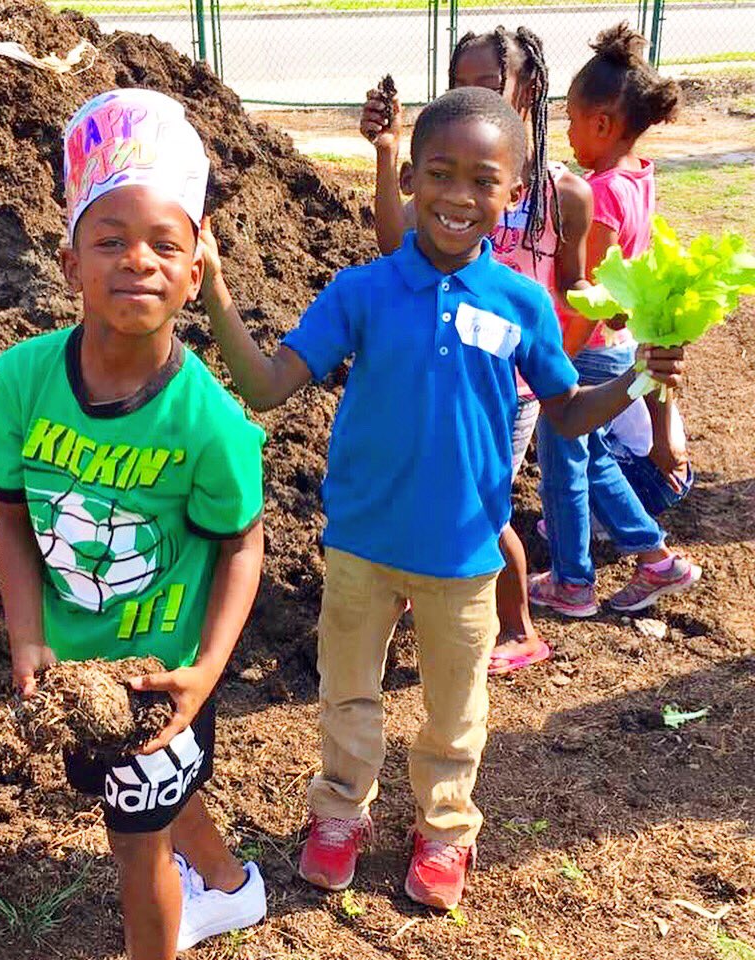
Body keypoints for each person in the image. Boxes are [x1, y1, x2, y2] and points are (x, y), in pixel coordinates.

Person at [199, 86, 687, 910]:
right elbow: (267, 384)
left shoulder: (523, 303)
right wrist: (209, 287)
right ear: (411, 181)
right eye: (439, 173)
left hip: (465, 555)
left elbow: (565, 412)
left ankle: (445, 828)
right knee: (346, 693)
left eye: (483, 180)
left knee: (455, 711)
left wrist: (640, 377)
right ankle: (339, 814)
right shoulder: (363, 291)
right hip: (359, 547)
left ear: (513, 193)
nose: (459, 196)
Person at [0, 89, 267, 959]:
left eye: (164, 245)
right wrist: (27, 637)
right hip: (73, 667)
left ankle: (163, 938)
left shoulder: (211, 423)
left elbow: (242, 548)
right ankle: (228, 886)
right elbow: (12, 519)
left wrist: (205, 675)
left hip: (159, 679)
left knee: (133, 843)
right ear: (70, 263)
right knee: (145, 797)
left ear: (193, 273)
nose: (137, 261)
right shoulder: (21, 380)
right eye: (110, 240)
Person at [360, 26, 594, 675]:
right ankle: (424, 581)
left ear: (531, 89)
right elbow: (390, 243)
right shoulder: (451, 185)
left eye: (489, 85)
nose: (475, 96)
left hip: (510, 385)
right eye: (463, 84)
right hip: (441, 369)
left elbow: (570, 285)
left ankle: (520, 628)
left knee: (480, 502)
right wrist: (385, 154)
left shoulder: (556, 191)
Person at [529, 23, 700, 617]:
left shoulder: (598, 193)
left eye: (572, 119)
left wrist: (556, 359)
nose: (568, 132)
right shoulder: (638, 175)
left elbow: (589, 293)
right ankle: (623, 565)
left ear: (602, 123)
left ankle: (588, 577)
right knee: (581, 454)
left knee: (568, 452)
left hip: (588, 343)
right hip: (614, 345)